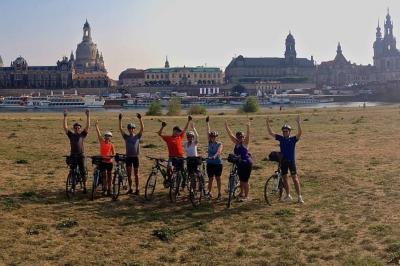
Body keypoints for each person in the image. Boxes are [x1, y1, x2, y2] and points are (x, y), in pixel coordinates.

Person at [266, 114, 304, 204]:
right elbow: (271, 133)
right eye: (283, 131)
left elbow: (300, 133)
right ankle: (288, 195)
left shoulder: (293, 139)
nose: (284, 132)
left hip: (291, 162)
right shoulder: (281, 138)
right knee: (285, 178)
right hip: (283, 161)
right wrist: (267, 123)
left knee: (295, 178)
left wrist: (298, 123)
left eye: (286, 131)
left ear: (289, 132)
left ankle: (299, 197)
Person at [158, 116, 191, 186]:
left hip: (180, 157)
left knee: (182, 171)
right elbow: (159, 134)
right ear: (174, 131)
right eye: (177, 131)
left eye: (179, 132)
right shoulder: (168, 138)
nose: (178, 133)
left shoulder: (180, 137)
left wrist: (188, 121)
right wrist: (162, 126)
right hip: (171, 157)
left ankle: (183, 182)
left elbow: (185, 129)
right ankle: (170, 180)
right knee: (169, 168)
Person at [224, 119, 252, 201]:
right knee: (241, 180)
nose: (240, 138)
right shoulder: (236, 143)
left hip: (246, 164)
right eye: (239, 137)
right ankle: (241, 193)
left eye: (242, 137)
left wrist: (248, 127)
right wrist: (226, 126)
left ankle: (246, 196)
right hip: (239, 164)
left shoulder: (245, 144)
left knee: (245, 181)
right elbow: (230, 134)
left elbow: (248, 136)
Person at [63, 109, 90, 193]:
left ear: (80, 129)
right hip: (73, 155)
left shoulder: (82, 135)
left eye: (78, 128)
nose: (77, 129)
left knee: (83, 172)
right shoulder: (71, 135)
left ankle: (85, 187)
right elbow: (65, 127)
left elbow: (88, 126)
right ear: (74, 129)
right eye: (75, 128)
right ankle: (73, 187)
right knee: (73, 171)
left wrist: (88, 116)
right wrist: (65, 117)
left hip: (81, 155)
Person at [119, 113, 144, 195]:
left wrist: (140, 119)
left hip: (135, 157)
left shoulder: (137, 136)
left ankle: (137, 189)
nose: (131, 129)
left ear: (134, 129)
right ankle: (130, 189)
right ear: (128, 129)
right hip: (128, 157)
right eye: (129, 128)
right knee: (129, 175)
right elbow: (120, 129)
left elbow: (142, 128)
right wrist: (120, 120)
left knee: (136, 174)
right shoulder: (126, 137)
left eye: (132, 128)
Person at [95, 120, 115, 196]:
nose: (107, 137)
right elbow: (98, 134)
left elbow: (114, 153)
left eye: (109, 136)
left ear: (110, 138)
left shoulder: (112, 145)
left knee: (109, 177)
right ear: (105, 137)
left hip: (109, 162)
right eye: (106, 136)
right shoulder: (102, 142)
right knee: (104, 176)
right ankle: (104, 188)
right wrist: (96, 126)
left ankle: (109, 189)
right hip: (103, 161)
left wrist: (112, 156)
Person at [205, 116, 223, 200]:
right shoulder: (209, 142)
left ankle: (219, 193)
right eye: (211, 136)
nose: (212, 138)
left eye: (214, 137)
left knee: (218, 178)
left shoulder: (219, 144)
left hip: (217, 163)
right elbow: (208, 131)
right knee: (210, 179)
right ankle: (209, 192)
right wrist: (207, 122)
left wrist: (214, 156)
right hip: (209, 163)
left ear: (216, 137)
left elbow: (219, 151)